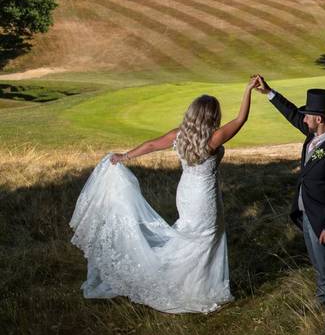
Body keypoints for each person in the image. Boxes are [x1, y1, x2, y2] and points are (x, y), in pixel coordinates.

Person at [69, 76, 259, 314]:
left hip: (186, 193)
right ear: (212, 116)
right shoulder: (214, 138)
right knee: (205, 237)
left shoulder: (180, 135)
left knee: (190, 236)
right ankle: (194, 288)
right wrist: (248, 90)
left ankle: (186, 282)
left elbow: (150, 145)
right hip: (204, 197)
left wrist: (124, 156)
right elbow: (241, 119)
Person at [253, 76, 325, 327]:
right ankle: (322, 302)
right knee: (318, 265)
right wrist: (269, 92)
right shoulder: (314, 135)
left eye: (307, 115)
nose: (303, 118)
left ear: (318, 119)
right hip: (306, 213)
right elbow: (291, 114)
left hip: (323, 221)